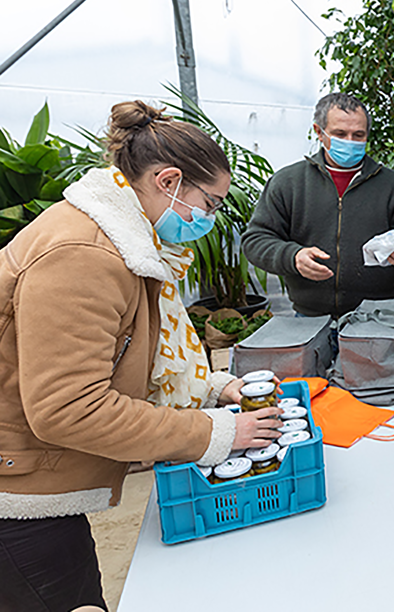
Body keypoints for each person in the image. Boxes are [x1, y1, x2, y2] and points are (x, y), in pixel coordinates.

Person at [0, 101, 281, 612]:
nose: (209, 219)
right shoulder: (84, 255)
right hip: (17, 503)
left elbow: (125, 354)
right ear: (168, 181)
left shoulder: (125, 239)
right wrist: (213, 432)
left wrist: (214, 388)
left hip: (33, 479)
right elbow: (69, 407)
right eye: (210, 204)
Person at [242, 93, 394, 318]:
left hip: (377, 317)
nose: (350, 141)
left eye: (358, 135)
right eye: (340, 134)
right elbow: (255, 241)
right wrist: (293, 256)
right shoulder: (288, 183)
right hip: (309, 317)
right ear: (319, 132)